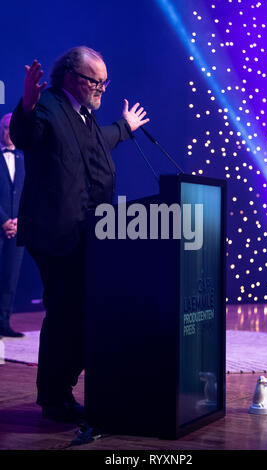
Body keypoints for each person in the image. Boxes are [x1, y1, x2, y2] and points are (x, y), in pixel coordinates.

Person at [10, 46, 149, 423]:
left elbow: (99, 141)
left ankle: (62, 390)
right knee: (65, 313)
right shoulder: (48, 105)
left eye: (105, 81)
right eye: (95, 81)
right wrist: (25, 103)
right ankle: (54, 397)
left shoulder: (84, 115)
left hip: (87, 234)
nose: (101, 87)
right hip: (56, 235)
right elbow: (27, 134)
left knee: (80, 313)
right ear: (71, 77)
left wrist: (125, 127)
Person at [0, 113, 25, 338]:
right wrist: (3, 220)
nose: (9, 132)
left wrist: (19, 221)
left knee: (10, 277)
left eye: (12, 128)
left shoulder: (23, 158)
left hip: (18, 229)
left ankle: (4, 323)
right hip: (1, 224)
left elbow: (27, 192)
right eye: (6, 128)